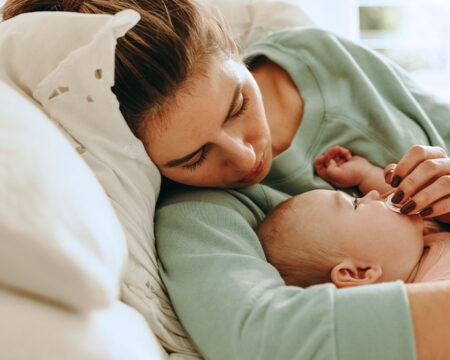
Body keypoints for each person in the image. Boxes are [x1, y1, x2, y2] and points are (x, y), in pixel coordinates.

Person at [3, 1, 450, 359]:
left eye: (238, 105)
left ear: (231, 44)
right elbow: (265, 337)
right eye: (195, 156)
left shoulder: (322, 56)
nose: (246, 155)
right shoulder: (198, 216)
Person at [257, 145, 448, 289]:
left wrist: (365, 175)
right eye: (356, 204)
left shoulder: (418, 242)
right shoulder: (432, 289)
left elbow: (403, 202)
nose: (373, 193)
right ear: (359, 272)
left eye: (357, 197)